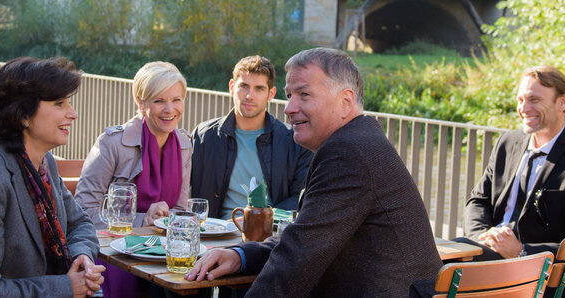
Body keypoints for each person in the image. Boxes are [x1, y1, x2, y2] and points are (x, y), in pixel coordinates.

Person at [185, 47, 441, 297]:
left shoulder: (348, 151)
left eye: (304, 95)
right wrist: (240, 255)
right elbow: (305, 234)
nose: (289, 108)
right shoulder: (356, 141)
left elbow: (297, 257)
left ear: (345, 101)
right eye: (289, 96)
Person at [0, 57, 104, 297]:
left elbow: (79, 223)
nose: (73, 113)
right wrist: (66, 287)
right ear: (23, 115)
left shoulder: (43, 166)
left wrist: (82, 257)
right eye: (59, 103)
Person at [459, 65, 565, 298]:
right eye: (520, 99)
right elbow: (478, 200)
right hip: (488, 259)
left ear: (562, 103)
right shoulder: (507, 143)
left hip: (543, 282)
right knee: (426, 265)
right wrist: (485, 235)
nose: (523, 108)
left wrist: (522, 252)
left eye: (533, 99)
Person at [74, 61, 193, 298]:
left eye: (177, 99)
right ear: (141, 103)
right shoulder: (113, 142)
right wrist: (142, 220)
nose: (170, 109)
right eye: (159, 101)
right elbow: (83, 210)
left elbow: (179, 208)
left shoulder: (184, 144)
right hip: (115, 252)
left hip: (160, 252)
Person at [191, 55, 311, 220]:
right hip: (214, 232)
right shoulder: (204, 136)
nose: (249, 96)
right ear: (232, 87)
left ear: (271, 93)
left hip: (267, 236)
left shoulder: (294, 141)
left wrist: (259, 219)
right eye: (244, 86)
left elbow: (301, 198)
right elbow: (184, 190)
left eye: (259, 88)